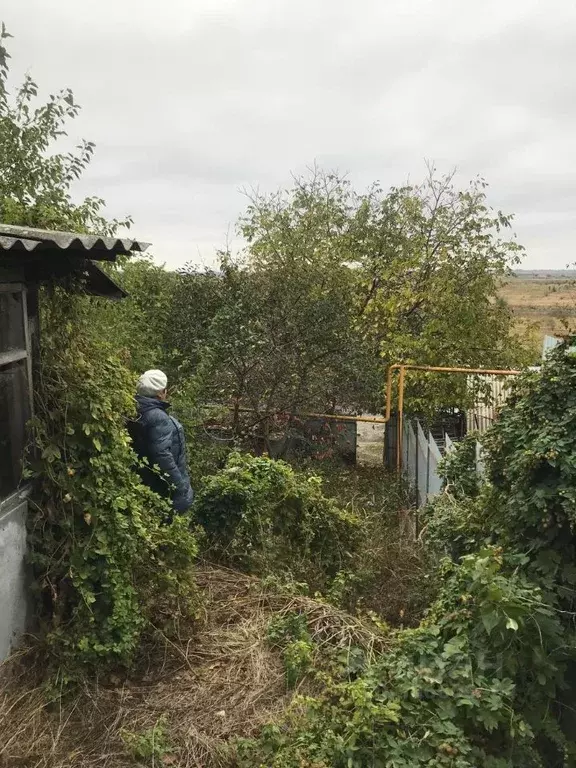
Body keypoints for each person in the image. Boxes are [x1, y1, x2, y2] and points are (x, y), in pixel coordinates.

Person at [128, 369, 194, 514]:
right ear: (160, 393)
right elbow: (161, 455)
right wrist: (180, 487)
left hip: (146, 482)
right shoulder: (158, 417)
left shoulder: (134, 410)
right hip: (164, 490)